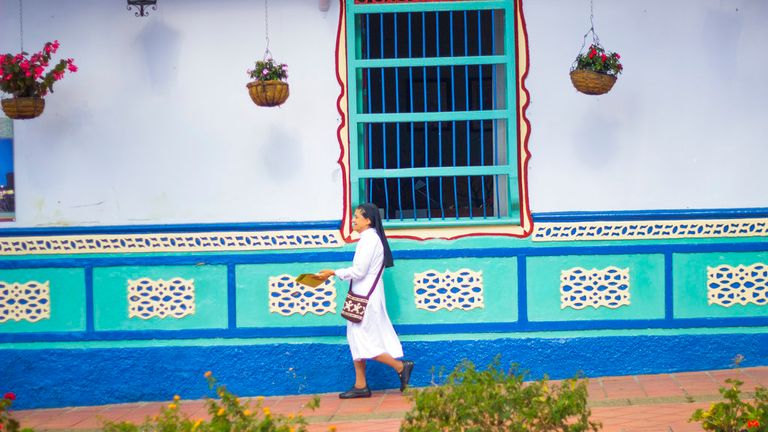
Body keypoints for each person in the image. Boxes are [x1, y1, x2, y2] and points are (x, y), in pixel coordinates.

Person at [318, 203, 414, 399]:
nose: (353, 220)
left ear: (368, 220)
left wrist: (333, 272)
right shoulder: (368, 239)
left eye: (357, 216)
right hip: (361, 297)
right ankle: (360, 384)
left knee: (365, 340)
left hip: (366, 300)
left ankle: (400, 366)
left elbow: (359, 271)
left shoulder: (369, 240)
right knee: (355, 339)